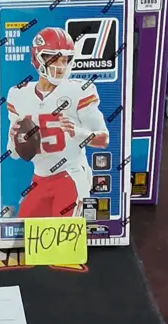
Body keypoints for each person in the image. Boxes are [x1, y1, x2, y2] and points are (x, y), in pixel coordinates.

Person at [7, 26, 108, 218]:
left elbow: (103, 139)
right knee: (26, 230)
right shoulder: (18, 95)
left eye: (65, 60)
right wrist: (14, 139)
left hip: (71, 175)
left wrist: (78, 133)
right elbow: (13, 154)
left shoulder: (79, 91)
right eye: (54, 58)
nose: (61, 65)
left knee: (64, 233)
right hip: (39, 178)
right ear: (38, 58)